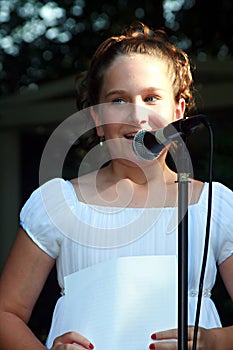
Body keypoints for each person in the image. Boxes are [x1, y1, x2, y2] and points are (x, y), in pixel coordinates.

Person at [0, 20, 232, 350]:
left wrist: (215, 341)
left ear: (178, 113)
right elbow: (6, 313)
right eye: (118, 101)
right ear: (96, 120)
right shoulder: (60, 202)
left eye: (152, 98)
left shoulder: (214, 205)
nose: (136, 116)